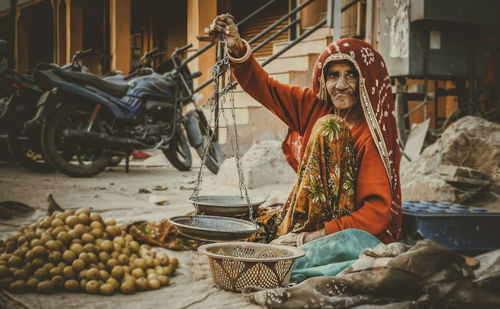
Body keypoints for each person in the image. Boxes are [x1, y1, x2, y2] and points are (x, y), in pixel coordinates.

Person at [204, 14, 402, 247]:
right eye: (332, 75)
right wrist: (236, 47)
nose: (340, 85)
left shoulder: (371, 136)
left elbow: (376, 215)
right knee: (218, 223)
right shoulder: (315, 106)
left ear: (365, 80)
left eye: (350, 74)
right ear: (323, 79)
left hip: (341, 232)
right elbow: (265, 87)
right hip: (303, 221)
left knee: (331, 126)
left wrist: (307, 238)